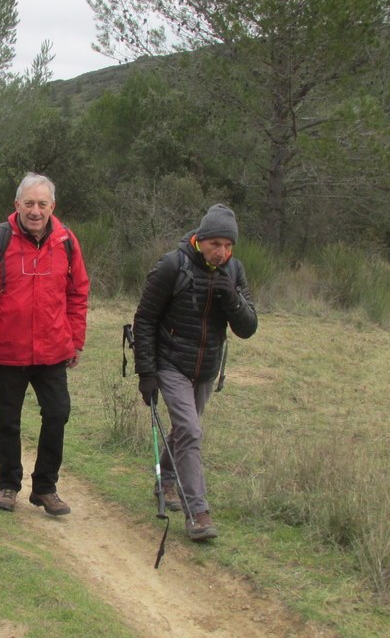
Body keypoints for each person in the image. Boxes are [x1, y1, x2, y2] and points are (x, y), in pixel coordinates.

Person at [0, 173, 90, 516]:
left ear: (52, 207)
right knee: (7, 421)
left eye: (42, 204)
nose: (35, 210)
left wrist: (76, 340)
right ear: (16, 205)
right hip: (6, 350)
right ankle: (9, 484)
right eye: (28, 203)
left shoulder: (66, 242)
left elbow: (78, 293)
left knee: (58, 414)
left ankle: (45, 488)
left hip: (52, 351)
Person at [132, 204, 258, 541]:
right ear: (200, 239)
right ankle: (198, 513)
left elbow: (248, 328)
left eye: (228, 246)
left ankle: (166, 480)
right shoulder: (173, 265)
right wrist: (146, 372)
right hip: (170, 361)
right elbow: (144, 319)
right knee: (190, 429)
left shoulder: (235, 272)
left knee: (185, 430)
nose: (222, 252)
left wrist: (231, 299)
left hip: (207, 368)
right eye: (215, 244)